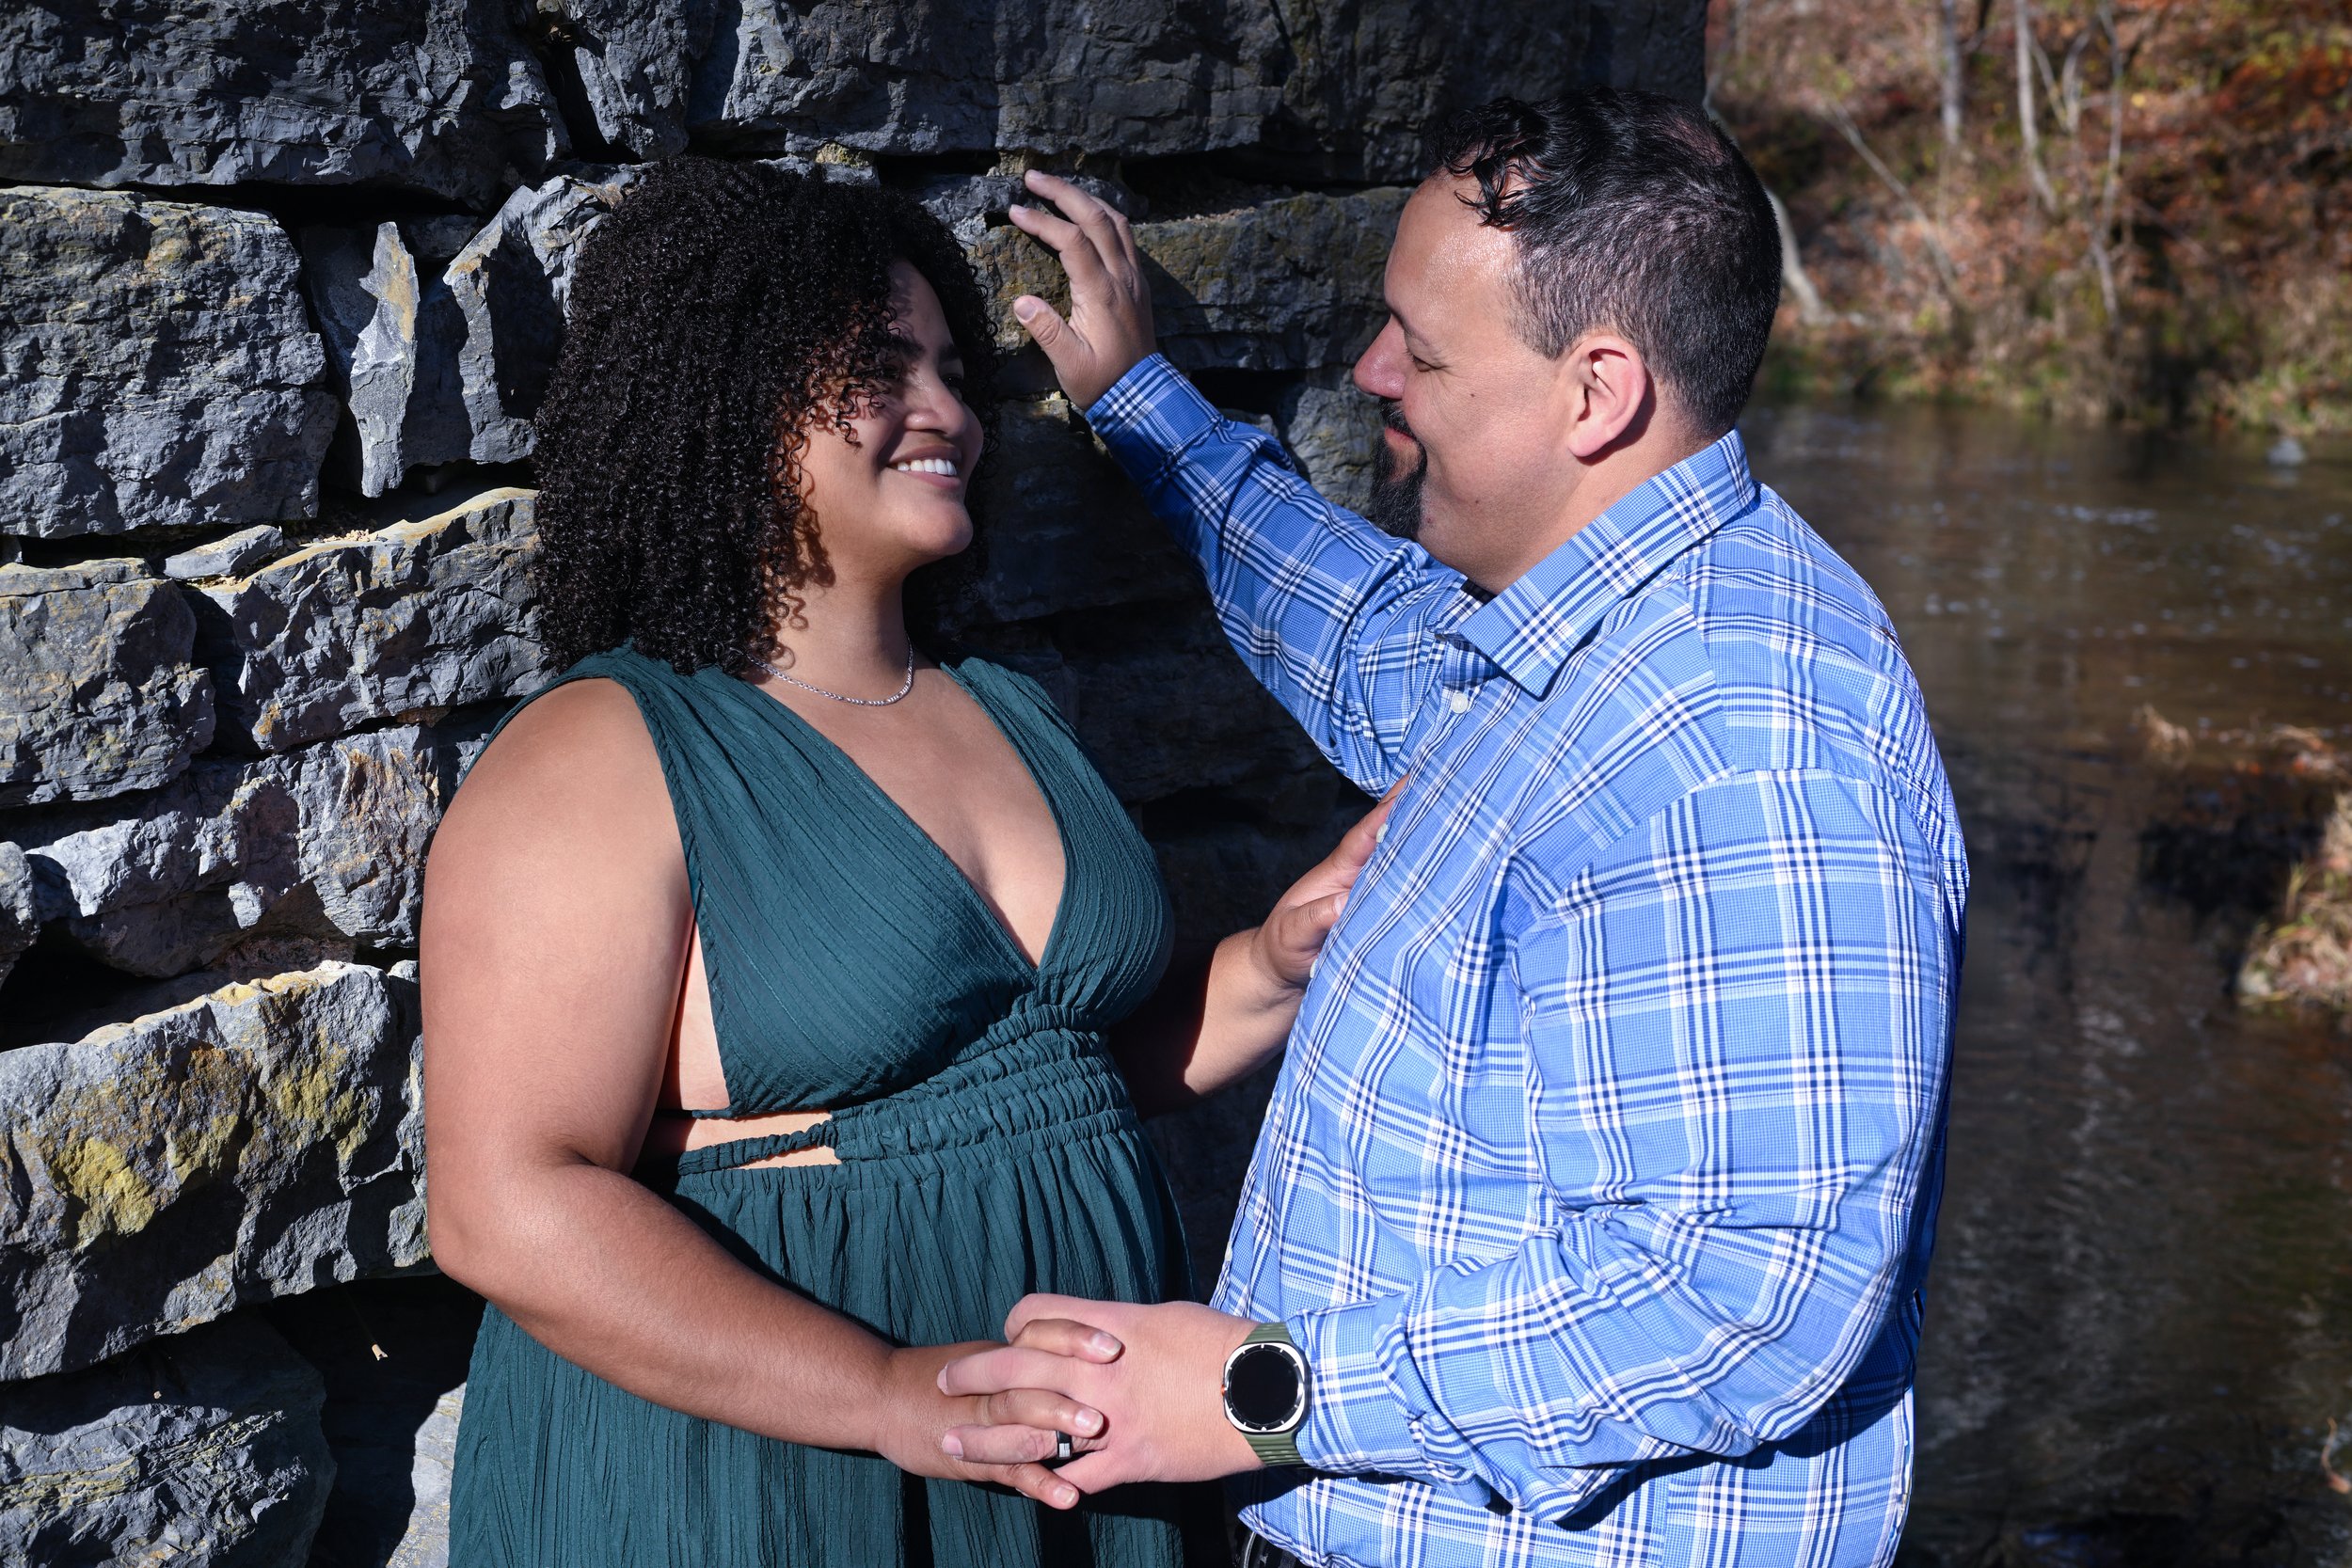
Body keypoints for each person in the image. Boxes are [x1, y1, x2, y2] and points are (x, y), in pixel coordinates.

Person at [940, 90, 1970, 1568]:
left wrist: (1251, 1396)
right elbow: (1373, 643)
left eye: (1419, 350)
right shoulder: (1591, 625)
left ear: (1596, 393)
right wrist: (1146, 409)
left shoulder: (1742, 751)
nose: (1372, 370)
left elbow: (1745, 1300)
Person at [420, 157, 1389, 1568]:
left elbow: (1042, 1084)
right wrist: (883, 1394)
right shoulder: (604, 754)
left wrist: (1271, 967)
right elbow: (505, 1208)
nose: (950, 413)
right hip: (763, 1480)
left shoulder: (1005, 706)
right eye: (883, 369)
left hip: (1067, 1457)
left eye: (954, 371)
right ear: (730, 394)